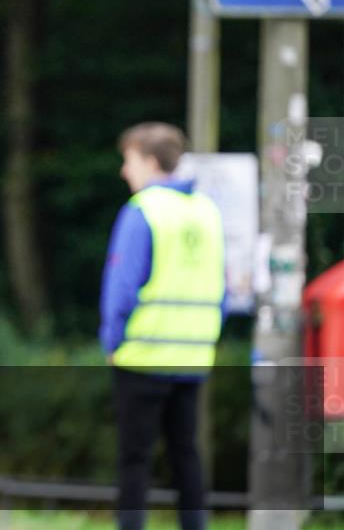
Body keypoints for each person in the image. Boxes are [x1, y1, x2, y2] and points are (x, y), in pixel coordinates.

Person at [99, 123, 226, 530]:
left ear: (150, 162)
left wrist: (112, 341)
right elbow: (220, 286)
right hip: (194, 355)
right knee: (186, 455)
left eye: (129, 160)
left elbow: (121, 288)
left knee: (135, 459)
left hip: (143, 354)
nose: (124, 171)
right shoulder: (207, 210)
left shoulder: (144, 209)